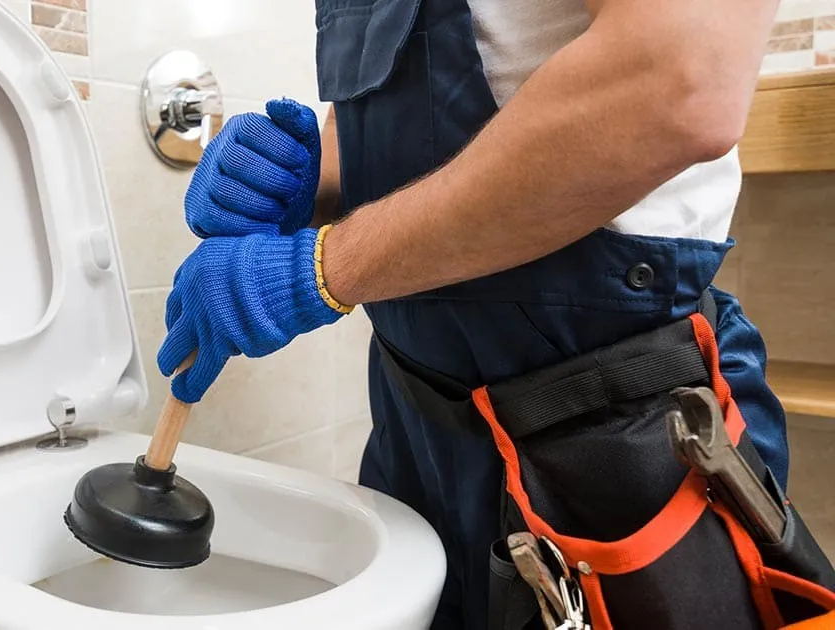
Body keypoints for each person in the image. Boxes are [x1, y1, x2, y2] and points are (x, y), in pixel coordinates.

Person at [155, 0, 787, 627]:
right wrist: (312, 176)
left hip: (608, 421)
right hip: (416, 416)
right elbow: (456, 91)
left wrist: (328, 266)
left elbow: (678, 81)